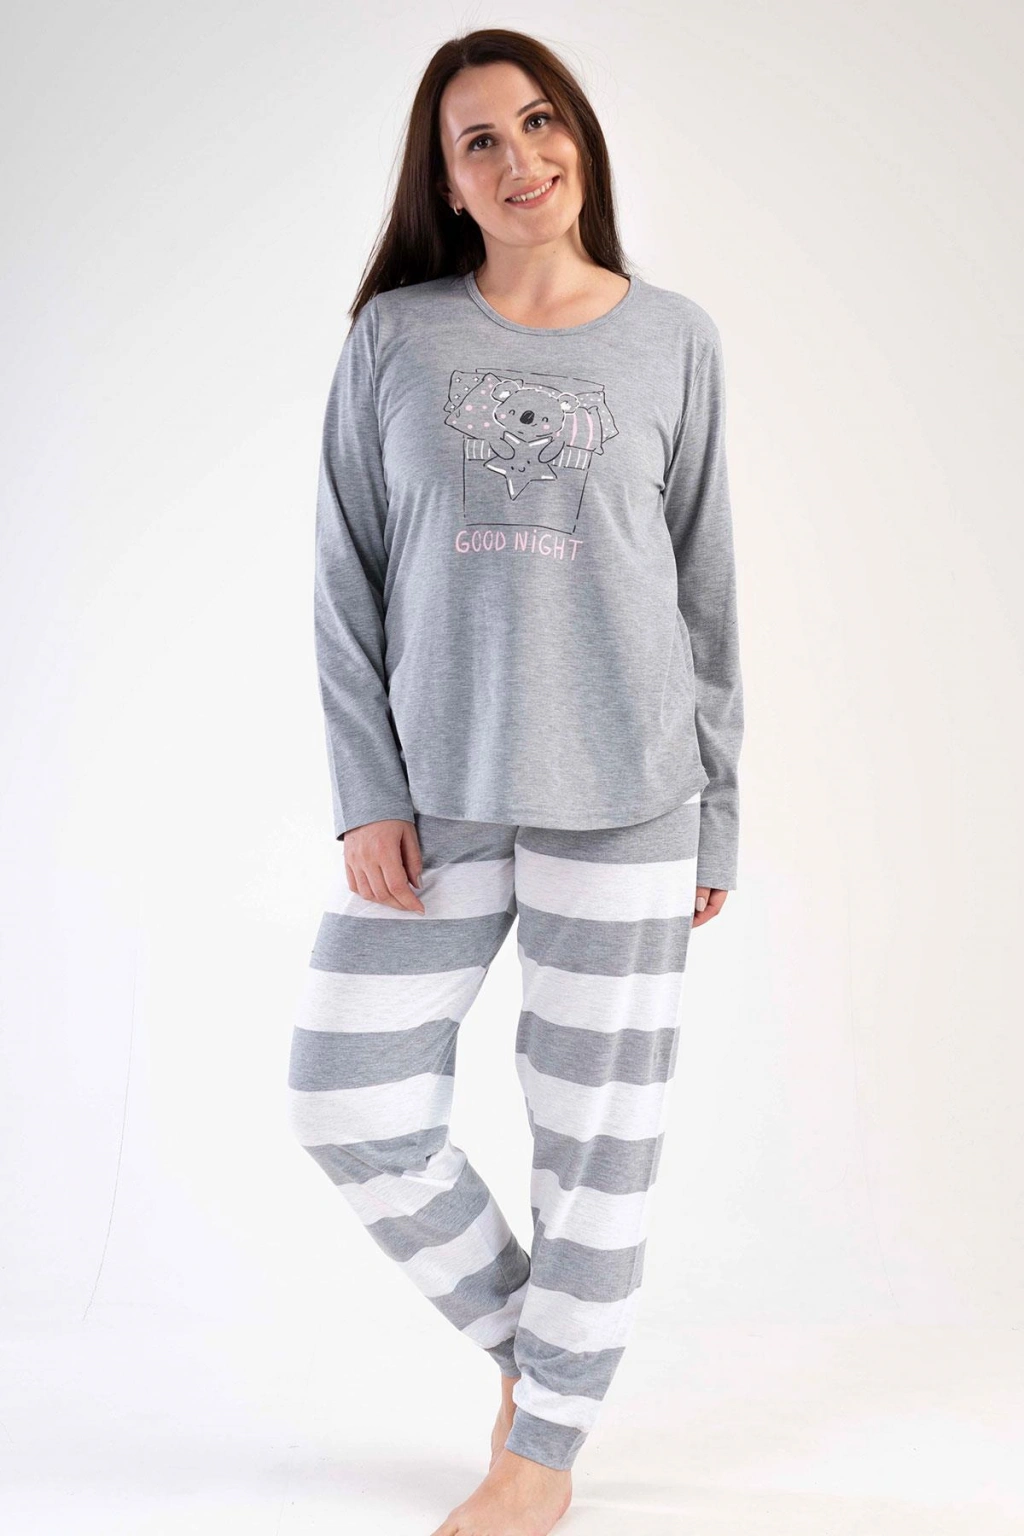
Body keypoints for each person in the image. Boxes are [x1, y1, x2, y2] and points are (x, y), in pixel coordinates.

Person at [286, 26, 744, 1536]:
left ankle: (538, 1457)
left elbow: (705, 589)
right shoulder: (397, 338)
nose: (521, 158)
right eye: (479, 140)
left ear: (582, 140)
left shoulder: (673, 339)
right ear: (447, 183)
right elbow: (344, 577)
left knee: (593, 1141)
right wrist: (368, 791)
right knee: (347, 1094)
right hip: (439, 789)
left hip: (630, 787)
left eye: (541, 123)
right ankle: (539, 1365)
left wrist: (719, 810)